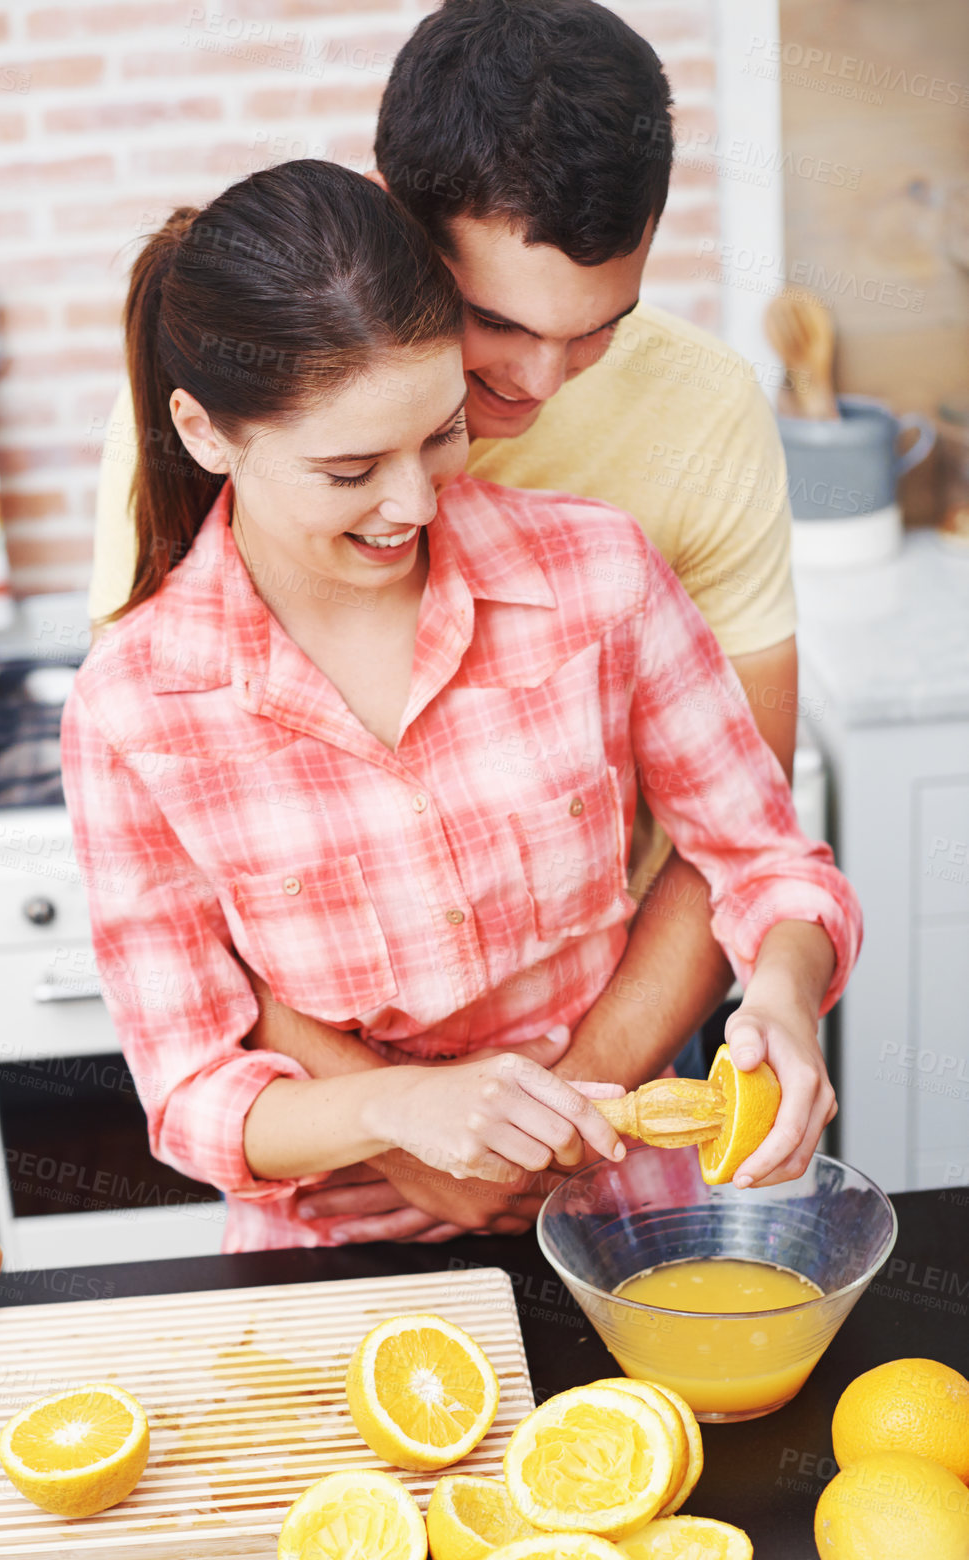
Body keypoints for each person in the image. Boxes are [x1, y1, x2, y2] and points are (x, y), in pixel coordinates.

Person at [84, 0, 816, 1247]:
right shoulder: (169, 573)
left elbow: (746, 837)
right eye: (499, 332)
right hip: (353, 1161)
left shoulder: (650, 493)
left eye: (595, 333)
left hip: (625, 1053)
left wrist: (565, 1113)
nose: (530, 391)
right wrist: (407, 1120)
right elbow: (203, 990)